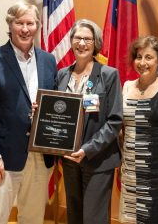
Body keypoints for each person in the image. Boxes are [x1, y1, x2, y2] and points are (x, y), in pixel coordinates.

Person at [0, 1, 57, 224]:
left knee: (33, 218)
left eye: (30, 23)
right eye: (19, 22)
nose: (25, 28)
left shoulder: (49, 61)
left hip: (40, 155)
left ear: (37, 26)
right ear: (10, 25)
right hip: (4, 156)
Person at [56, 19, 123, 224]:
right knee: (74, 216)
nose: (82, 43)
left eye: (87, 39)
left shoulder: (108, 75)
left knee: (94, 218)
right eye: (78, 38)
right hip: (69, 160)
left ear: (96, 43)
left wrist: (87, 149)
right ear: (71, 41)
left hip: (98, 159)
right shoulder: (62, 75)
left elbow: (114, 120)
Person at [118, 35, 158, 223]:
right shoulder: (127, 86)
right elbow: (121, 128)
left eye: (149, 57)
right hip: (130, 170)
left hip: (157, 174)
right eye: (138, 57)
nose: (142, 62)